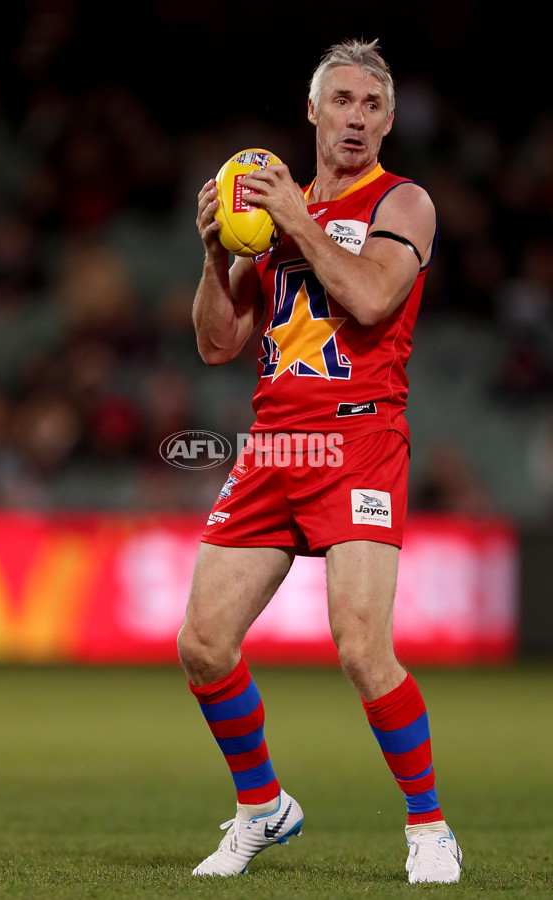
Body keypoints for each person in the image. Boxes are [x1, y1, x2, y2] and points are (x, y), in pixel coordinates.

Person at [177, 38, 462, 884]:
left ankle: (429, 826)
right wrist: (214, 254)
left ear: (390, 121)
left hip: (361, 439)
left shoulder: (404, 203)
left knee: (361, 646)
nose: (356, 118)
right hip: (276, 443)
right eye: (342, 100)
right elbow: (217, 343)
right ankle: (263, 808)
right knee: (201, 644)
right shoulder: (267, 215)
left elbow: (374, 296)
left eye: (373, 105)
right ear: (313, 111)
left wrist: (295, 224)